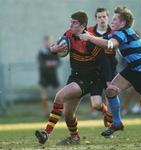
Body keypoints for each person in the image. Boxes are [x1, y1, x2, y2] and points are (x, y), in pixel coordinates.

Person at [80, 5, 141, 138]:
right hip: (132, 70)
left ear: (123, 23)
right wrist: (84, 34)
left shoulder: (123, 33)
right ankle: (117, 122)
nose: (112, 21)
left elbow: (109, 44)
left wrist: (89, 38)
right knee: (111, 90)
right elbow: (104, 39)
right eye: (112, 19)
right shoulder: (119, 32)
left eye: (115, 19)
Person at [35, 11, 113, 145]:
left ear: (82, 25)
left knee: (59, 97)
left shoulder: (90, 41)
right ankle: (75, 137)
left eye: (74, 22)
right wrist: (55, 49)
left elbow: (104, 61)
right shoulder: (68, 34)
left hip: (90, 78)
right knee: (68, 114)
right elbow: (54, 47)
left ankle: (46, 133)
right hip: (76, 77)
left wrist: (108, 82)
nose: (70, 24)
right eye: (70, 21)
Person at [87, 7, 119, 127]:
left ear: (108, 18)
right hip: (95, 72)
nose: (102, 19)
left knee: (111, 98)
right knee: (96, 104)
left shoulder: (114, 33)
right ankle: (105, 111)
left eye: (104, 16)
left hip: (111, 70)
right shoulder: (89, 32)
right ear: (96, 19)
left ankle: (109, 127)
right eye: (99, 17)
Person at [38, 36, 60, 116]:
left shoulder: (54, 50)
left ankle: (59, 110)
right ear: (44, 42)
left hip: (53, 75)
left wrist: (53, 63)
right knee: (44, 93)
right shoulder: (41, 52)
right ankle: (46, 111)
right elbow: (42, 63)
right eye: (46, 41)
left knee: (59, 93)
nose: (47, 43)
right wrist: (49, 64)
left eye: (49, 41)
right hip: (44, 75)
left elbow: (58, 62)